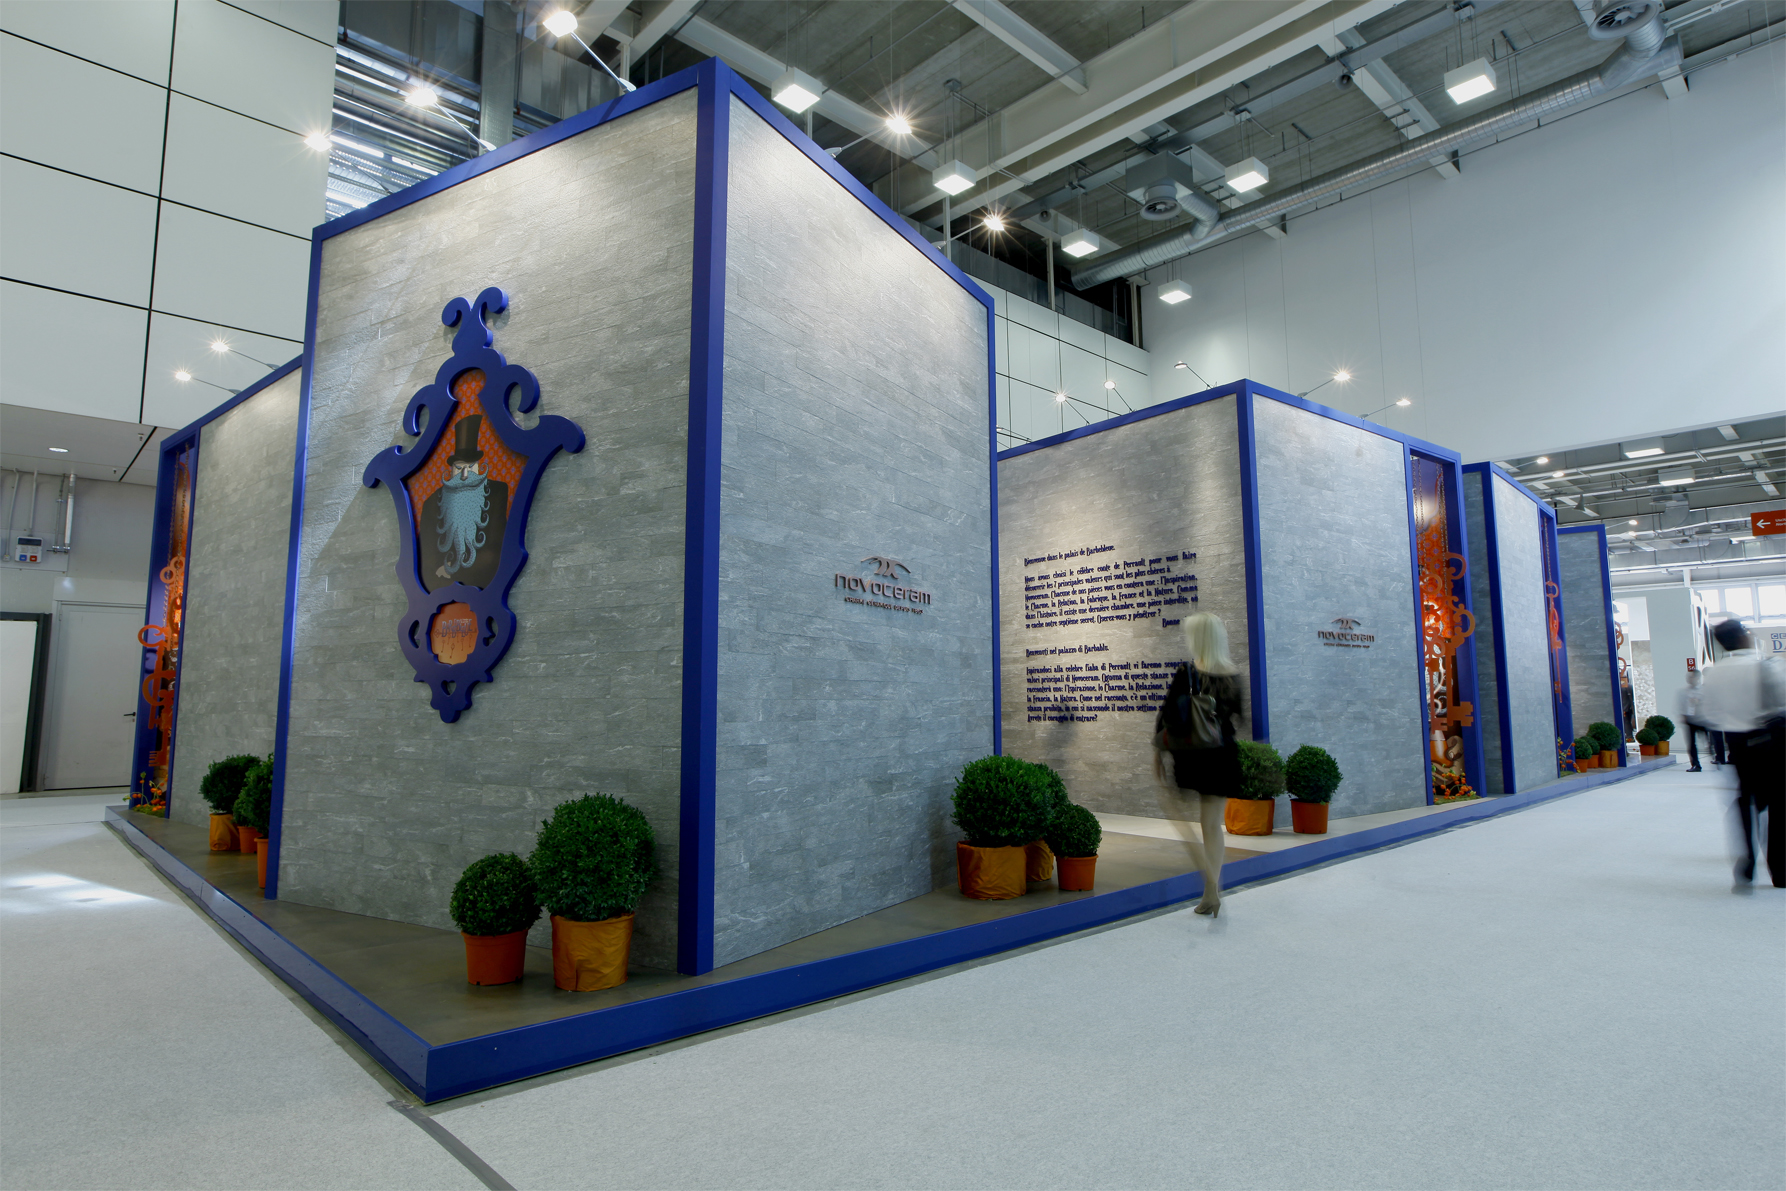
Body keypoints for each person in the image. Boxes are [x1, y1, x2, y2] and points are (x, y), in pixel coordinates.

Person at [1153, 612, 1248, 918]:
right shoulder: (1233, 676)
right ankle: (1211, 889)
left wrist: (1158, 753)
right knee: (1212, 825)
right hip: (1223, 754)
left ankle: (1210, 887)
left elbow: (1168, 715)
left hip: (1195, 757)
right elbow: (1237, 718)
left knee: (1190, 822)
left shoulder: (1188, 672)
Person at [1697, 619, 1785, 889]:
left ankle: (1747, 858)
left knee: (1746, 800)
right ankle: (1780, 869)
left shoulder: (1714, 674)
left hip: (1736, 744)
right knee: (1779, 804)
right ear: (1743, 636)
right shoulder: (1765, 666)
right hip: (1770, 742)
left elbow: (1707, 715)